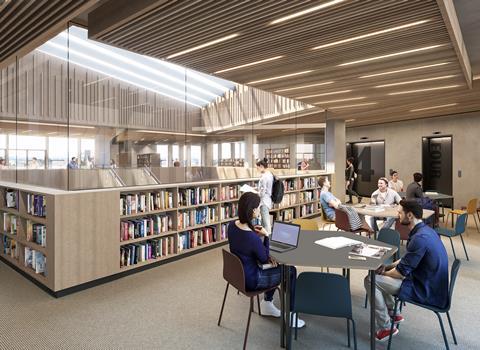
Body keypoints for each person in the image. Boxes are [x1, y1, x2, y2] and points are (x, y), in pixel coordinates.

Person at [364, 199, 448, 342]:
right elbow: (406, 261)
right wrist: (387, 267)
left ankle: (385, 327)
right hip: (431, 282)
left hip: (425, 289)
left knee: (371, 279)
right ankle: (394, 312)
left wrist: (383, 273)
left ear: (409, 216)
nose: (398, 216)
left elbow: (400, 273)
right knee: (380, 277)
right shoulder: (426, 231)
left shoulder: (419, 238)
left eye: (400, 213)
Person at [228, 192, 305, 327]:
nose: (259, 210)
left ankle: (267, 304)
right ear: (253, 211)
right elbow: (264, 259)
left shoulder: (232, 226)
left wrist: (256, 235)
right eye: (258, 207)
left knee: (276, 266)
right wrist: (266, 236)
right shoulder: (251, 237)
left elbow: (247, 247)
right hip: (253, 279)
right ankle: (291, 315)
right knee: (290, 271)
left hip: (238, 276)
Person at [256, 158, 274, 234]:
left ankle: (268, 240)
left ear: (261, 166)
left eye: (257, 167)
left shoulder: (264, 177)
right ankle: (264, 240)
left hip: (264, 201)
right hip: (268, 200)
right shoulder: (270, 174)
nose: (257, 169)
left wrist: (256, 193)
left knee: (266, 223)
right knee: (264, 221)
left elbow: (262, 193)